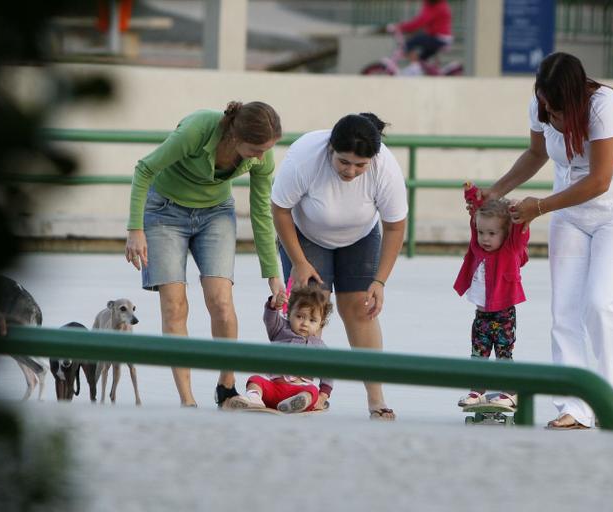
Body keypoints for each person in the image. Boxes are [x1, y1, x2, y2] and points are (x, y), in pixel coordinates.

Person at [480, 52, 613, 429]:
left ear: (575, 95)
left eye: (558, 109)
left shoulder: (605, 107)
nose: (551, 116)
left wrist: (539, 207)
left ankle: (609, 392)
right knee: (565, 312)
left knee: (601, 301)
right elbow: (537, 153)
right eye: (545, 105)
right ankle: (573, 406)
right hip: (570, 216)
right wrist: (495, 191)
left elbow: (598, 181)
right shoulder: (539, 105)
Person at [125, 100, 285, 408]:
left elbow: (261, 212)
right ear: (235, 136)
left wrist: (273, 275)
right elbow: (145, 168)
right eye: (257, 149)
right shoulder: (197, 130)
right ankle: (187, 400)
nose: (262, 157)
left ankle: (226, 387)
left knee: (221, 302)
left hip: (215, 215)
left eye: (267, 149)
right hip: (164, 212)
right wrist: (135, 229)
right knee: (174, 305)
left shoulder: (261, 157)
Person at [271, 113, 408, 420]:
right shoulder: (305, 157)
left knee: (360, 309)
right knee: (308, 309)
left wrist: (380, 281)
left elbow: (396, 227)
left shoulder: (385, 168)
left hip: (359, 236)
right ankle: (296, 388)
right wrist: (298, 261)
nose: (352, 171)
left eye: (361, 165)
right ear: (331, 148)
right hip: (306, 235)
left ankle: (376, 398)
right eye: (344, 162)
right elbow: (279, 209)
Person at [453, 185, 529, 409]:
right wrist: (472, 195)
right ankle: (477, 390)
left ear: (505, 234)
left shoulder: (510, 250)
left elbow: (519, 233)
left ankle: (511, 390)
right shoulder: (478, 248)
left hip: (504, 315)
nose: (484, 238)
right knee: (478, 353)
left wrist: (517, 210)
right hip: (481, 315)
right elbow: (474, 219)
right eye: (481, 232)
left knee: (504, 354)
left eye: (492, 233)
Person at [225, 285, 333, 413]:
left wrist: (323, 396)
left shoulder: (319, 347)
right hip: (274, 388)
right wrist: (275, 306)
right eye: (299, 316)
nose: (305, 323)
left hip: (299, 390)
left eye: (312, 320)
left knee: (312, 392)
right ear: (289, 313)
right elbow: (270, 318)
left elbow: (328, 372)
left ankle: (297, 403)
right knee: (255, 380)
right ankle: (255, 401)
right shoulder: (281, 329)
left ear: (320, 324)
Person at [387, 0, 453, 76]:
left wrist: (400, 27)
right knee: (421, 60)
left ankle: (414, 69)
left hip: (439, 38)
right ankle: (420, 69)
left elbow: (420, 21)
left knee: (410, 43)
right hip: (436, 37)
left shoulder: (437, 6)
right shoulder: (432, 3)